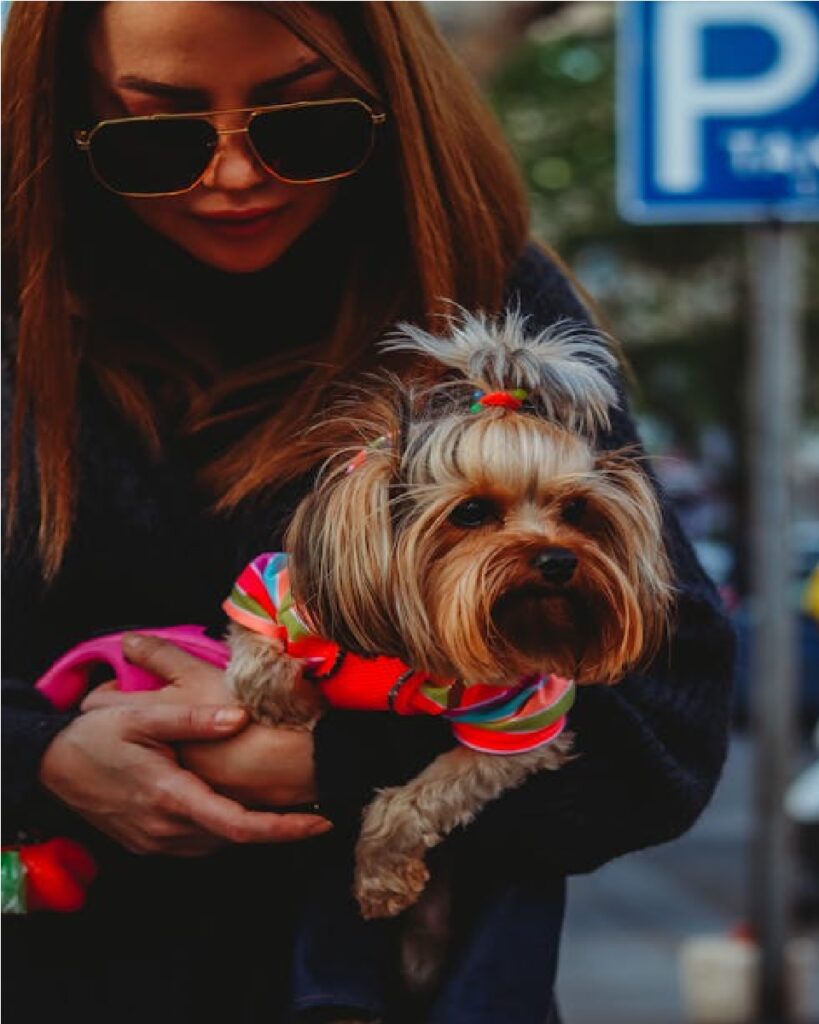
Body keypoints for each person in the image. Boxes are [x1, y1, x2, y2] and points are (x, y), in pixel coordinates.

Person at [1, 3, 736, 1023]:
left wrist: (331, 763)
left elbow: (664, 733)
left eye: (307, 123)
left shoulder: (494, 317)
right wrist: (36, 756)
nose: (236, 175)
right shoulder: (19, 308)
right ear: (67, 123)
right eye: (156, 136)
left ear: (390, 106)